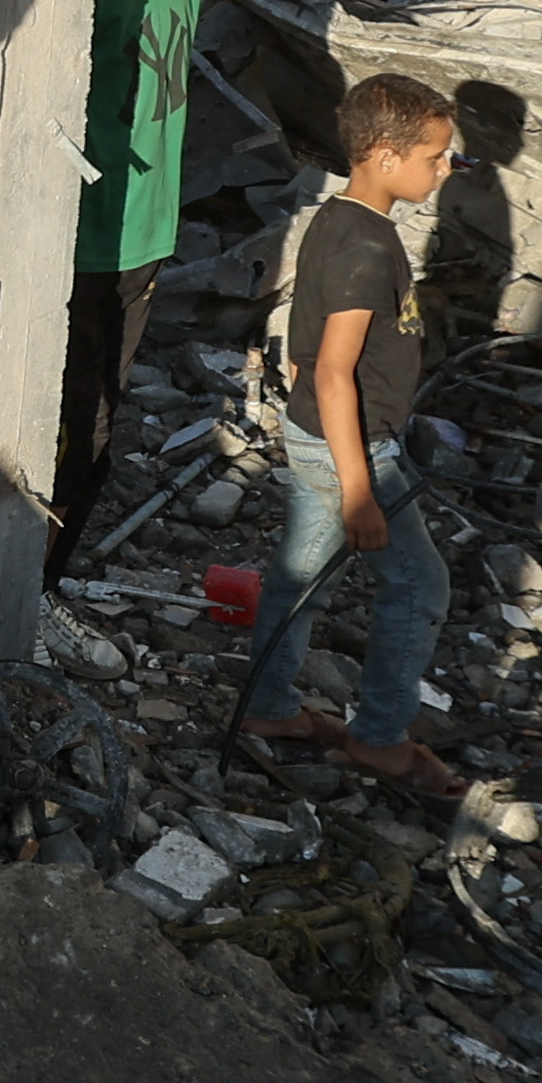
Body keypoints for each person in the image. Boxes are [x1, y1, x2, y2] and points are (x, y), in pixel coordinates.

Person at [49, 0, 283, 579]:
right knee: (69, 431)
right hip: (78, 242)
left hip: (144, 236)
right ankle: (20, 593)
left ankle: (37, 585)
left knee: (98, 431)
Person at [233, 74, 466, 793]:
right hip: (352, 451)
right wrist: (360, 489)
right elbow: (333, 372)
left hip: (314, 438)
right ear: (387, 157)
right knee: (420, 586)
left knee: (300, 575)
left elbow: (309, 352)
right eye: (435, 156)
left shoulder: (338, 221)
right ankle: (380, 739)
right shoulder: (367, 249)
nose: (445, 168)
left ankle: (267, 708)